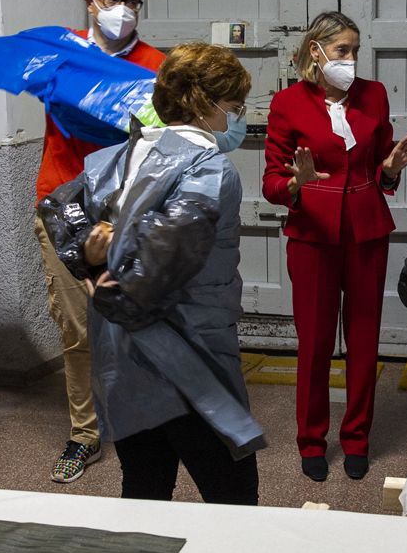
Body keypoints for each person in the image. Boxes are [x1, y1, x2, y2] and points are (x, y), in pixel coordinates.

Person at [41, 42, 262, 505]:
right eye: (235, 108)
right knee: (233, 496)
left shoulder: (111, 159)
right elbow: (148, 278)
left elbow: (57, 209)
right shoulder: (210, 169)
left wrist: (92, 263)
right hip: (187, 357)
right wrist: (105, 280)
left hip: (119, 357)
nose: (238, 120)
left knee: (144, 486)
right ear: (206, 105)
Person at [262, 12, 407, 481]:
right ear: (317, 51)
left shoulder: (373, 95)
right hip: (311, 232)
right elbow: (271, 182)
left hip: (367, 229)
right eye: (343, 50)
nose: (351, 59)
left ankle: (357, 438)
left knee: (365, 339)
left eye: (355, 49)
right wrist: (296, 183)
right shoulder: (288, 103)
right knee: (313, 343)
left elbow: (382, 169)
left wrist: (391, 167)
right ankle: (311, 440)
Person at [33, 0, 166, 485]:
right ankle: (85, 434)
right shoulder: (62, 53)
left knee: (137, 322)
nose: (123, 11)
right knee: (78, 328)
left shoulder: (156, 65)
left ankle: (143, 419)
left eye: (132, 1)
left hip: (130, 210)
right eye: (112, 0)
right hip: (63, 205)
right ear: (91, 3)